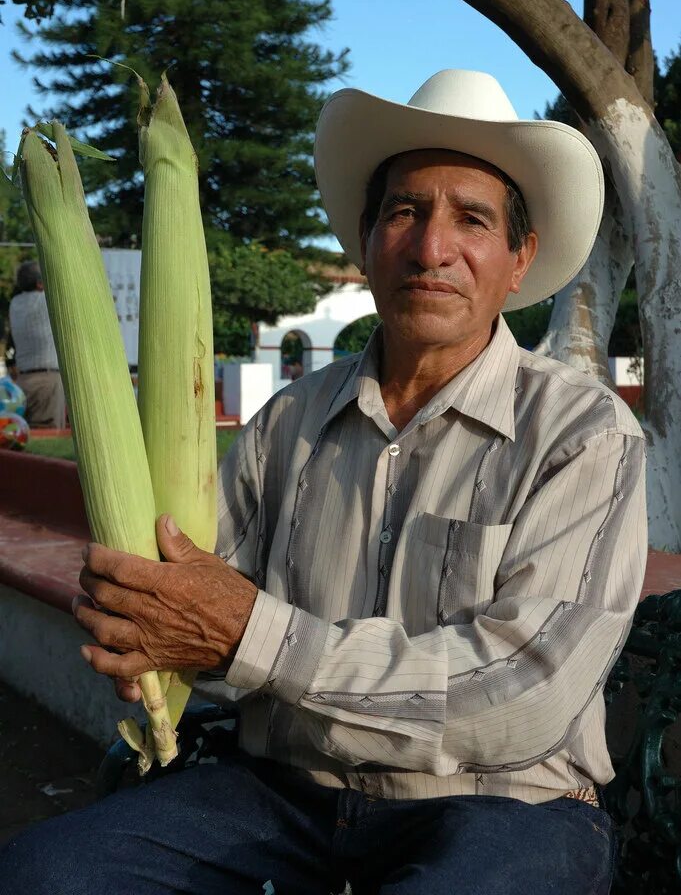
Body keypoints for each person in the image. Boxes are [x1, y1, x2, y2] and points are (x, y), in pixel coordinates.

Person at [0, 71, 646, 894]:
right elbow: (201, 605)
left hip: (502, 807)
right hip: (279, 793)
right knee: (43, 875)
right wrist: (141, 619)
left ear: (518, 259)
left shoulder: (582, 435)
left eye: (472, 219)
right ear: (367, 237)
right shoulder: (285, 424)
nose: (430, 247)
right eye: (404, 210)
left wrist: (250, 637)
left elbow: (522, 694)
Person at [7, 260, 66, 429]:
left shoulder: (14, 304)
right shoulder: (46, 300)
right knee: (48, 434)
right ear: (40, 283)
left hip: (22, 381)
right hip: (47, 382)